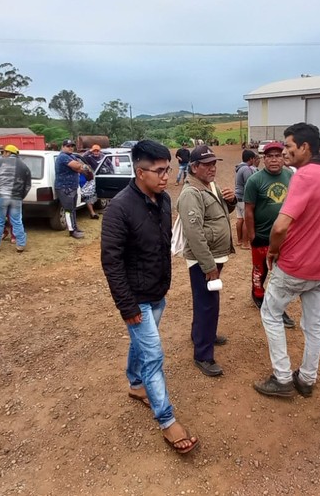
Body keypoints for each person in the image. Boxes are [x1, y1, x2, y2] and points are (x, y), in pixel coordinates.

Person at [101, 140, 199, 455]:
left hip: (157, 292)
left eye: (167, 169)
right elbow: (111, 261)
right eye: (158, 171)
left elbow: (162, 244)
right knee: (154, 355)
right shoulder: (119, 208)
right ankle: (167, 419)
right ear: (140, 172)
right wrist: (127, 306)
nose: (165, 176)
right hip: (136, 297)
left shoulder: (164, 200)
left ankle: (135, 384)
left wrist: (164, 283)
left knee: (142, 344)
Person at [253, 122, 320, 399]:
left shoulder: (302, 176)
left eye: (289, 146)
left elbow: (280, 227)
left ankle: (282, 378)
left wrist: (273, 251)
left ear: (305, 147)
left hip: (294, 266)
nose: (286, 152)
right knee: (314, 324)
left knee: (270, 313)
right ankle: (307, 378)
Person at [176, 145, 236, 377]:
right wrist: (209, 266)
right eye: (207, 164)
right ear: (194, 167)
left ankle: (202, 335)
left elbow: (218, 215)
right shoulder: (191, 193)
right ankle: (203, 354)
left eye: (214, 163)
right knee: (207, 305)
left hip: (212, 256)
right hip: (204, 260)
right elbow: (194, 233)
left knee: (206, 302)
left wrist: (230, 202)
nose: (213, 168)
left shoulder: (209, 185)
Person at [242, 142, 296, 328]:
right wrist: (252, 235)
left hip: (285, 236)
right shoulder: (255, 180)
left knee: (282, 272)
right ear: (264, 159)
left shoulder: (291, 176)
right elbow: (248, 210)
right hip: (262, 234)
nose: (274, 159)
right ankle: (257, 294)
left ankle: (276, 306)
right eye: (270, 156)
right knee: (260, 269)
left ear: (283, 158)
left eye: (278, 155)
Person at [0, 145, 31, 253]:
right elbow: (28, 185)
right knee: (17, 221)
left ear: (8, 152)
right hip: (16, 198)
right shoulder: (24, 166)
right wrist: (20, 196)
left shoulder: (0, 162)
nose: (3, 154)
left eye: (4, 152)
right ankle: (21, 245)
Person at [55, 139, 86, 239]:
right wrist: (77, 166)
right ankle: (72, 231)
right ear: (63, 147)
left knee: (73, 209)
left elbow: (80, 168)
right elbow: (78, 166)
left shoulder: (71, 156)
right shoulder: (62, 157)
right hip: (64, 188)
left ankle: (75, 227)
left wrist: (78, 167)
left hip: (72, 187)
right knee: (68, 210)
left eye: (72, 146)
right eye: (68, 146)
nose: (70, 148)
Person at [234, 150, 259, 248]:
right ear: (251, 159)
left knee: (240, 219)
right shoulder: (246, 169)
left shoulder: (239, 168)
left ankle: (239, 240)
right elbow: (249, 185)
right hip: (244, 197)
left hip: (238, 197)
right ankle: (245, 243)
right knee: (246, 220)